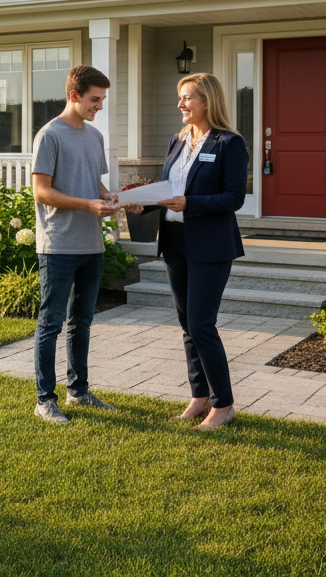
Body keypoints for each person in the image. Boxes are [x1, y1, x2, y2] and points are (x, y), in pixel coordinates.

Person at [29, 64, 145, 425]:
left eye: (103, 100)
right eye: (95, 99)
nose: (100, 106)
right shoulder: (50, 135)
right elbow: (41, 191)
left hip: (91, 244)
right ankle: (44, 399)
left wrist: (115, 199)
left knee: (82, 321)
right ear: (74, 95)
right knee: (51, 324)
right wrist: (87, 205)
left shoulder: (94, 137)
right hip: (59, 244)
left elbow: (93, 183)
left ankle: (78, 392)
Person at [153, 72, 248, 431]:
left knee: (201, 324)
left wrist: (189, 203)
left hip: (210, 246)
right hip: (175, 243)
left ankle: (224, 405)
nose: (181, 104)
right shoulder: (177, 140)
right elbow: (168, 189)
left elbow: (233, 197)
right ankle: (200, 396)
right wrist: (141, 204)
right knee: (186, 325)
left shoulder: (229, 143)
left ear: (207, 101)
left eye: (187, 97)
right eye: (180, 97)